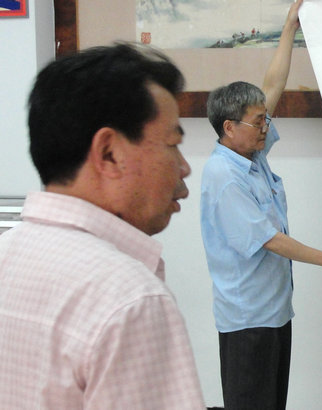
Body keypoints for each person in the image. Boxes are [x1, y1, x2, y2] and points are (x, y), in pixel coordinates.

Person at [0, 43, 205, 408]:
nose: (184, 167)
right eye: (173, 143)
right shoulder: (130, 299)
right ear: (109, 153)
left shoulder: (6, 254)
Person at [200, 1, 322, 408]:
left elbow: (272, 84)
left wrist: (290, 27)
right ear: (229, 127)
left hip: (274, 311)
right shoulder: (224, 176)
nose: (266, 126)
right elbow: (270, 240)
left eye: (265, 119)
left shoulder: (251, 155)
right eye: (258, 121)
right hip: (248, 320)